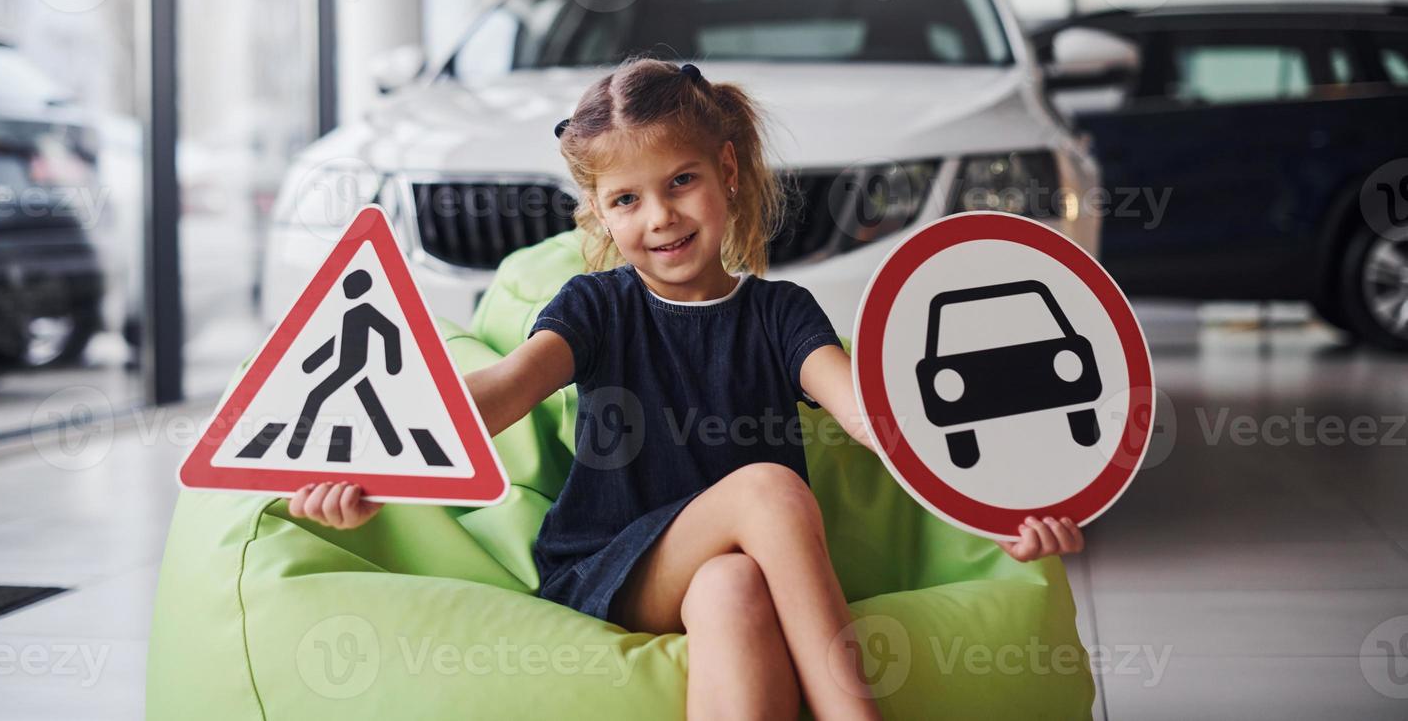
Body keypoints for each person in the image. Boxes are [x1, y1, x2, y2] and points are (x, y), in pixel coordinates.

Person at [290, 57, 1084, 719]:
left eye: (681, 181)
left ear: (727, 172)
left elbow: (877, 415)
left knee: (734, 589)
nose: (660, 216)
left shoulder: (781, 313)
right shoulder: (595, 307)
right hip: (612, 565)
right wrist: (372, 464)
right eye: (627, 199)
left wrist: (1006, 503)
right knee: (767, 490)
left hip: (720, 567)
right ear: (598, 215)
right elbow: (498, 392)